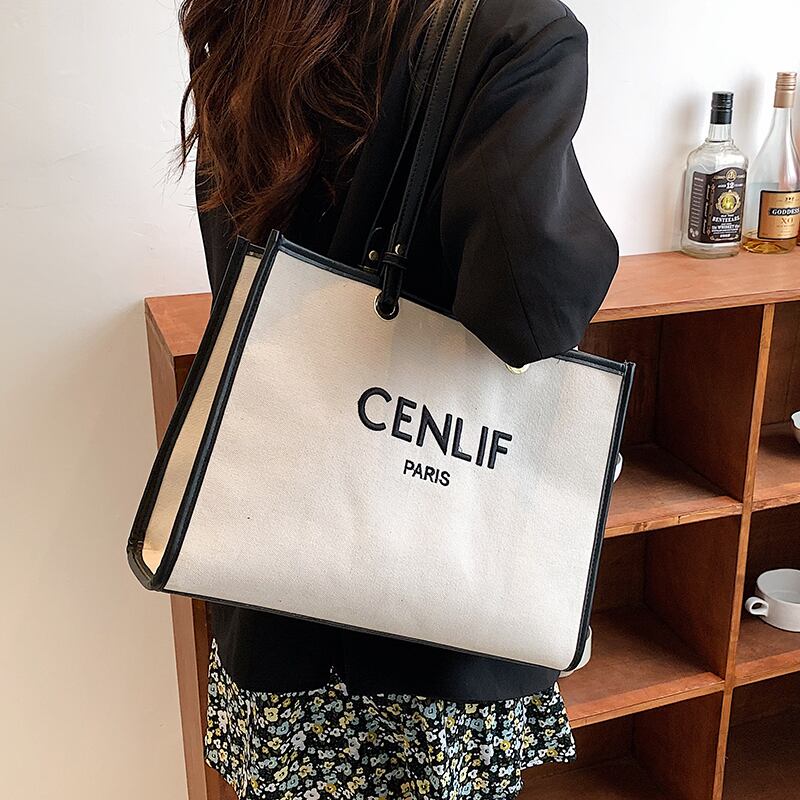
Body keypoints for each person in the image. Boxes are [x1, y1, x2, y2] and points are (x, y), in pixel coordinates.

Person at [176, 0, 618, 797]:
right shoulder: (514, 30)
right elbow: (529, 315)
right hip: (429, 607)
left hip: (272, 570)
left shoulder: (248, 18)